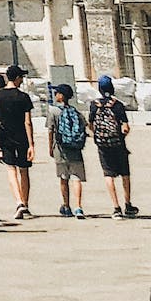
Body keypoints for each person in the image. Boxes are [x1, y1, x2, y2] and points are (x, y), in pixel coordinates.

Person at [0, 63, 35, 219]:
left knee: (10, 169)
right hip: (21, 136)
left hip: (4, 136)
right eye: (21, 77)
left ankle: (18, 202)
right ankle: (25, 204)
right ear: (17, 78)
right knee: (24, 170)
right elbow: (28, 122)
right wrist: (31, 144)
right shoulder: (23, 97)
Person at [89, 75, 137, 217]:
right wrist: (120, 136)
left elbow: (91, 125)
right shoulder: (117, 105)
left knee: (108, 174)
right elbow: (126, 128)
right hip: (118, 144)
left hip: (103, 145)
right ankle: (128, 204)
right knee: (125, 174)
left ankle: (116, 208)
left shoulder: (94, 105)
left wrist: (98, 135)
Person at [48, 82, 88, 218]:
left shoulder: (53, 111)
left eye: (56, 93)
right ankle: (78, 207)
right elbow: (84, 126)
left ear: (60, 96)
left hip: (60, 149)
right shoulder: (75, 112)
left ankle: (66, 205)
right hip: (75, 149)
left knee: (64, 178)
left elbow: (50, 131)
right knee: (76, 178)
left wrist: (50, 148)